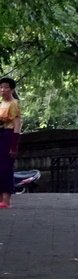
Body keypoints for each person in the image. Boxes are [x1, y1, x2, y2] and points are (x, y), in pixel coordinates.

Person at [0, 77, 22, 209]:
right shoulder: (1, 104)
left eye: (6, 87)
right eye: (1, 87)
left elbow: (17, 125)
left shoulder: (14, 104)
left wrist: (14, 145)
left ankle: (7, 199)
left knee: (5, 167)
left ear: (12, 89)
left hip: (8, 136)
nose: (3, 90)